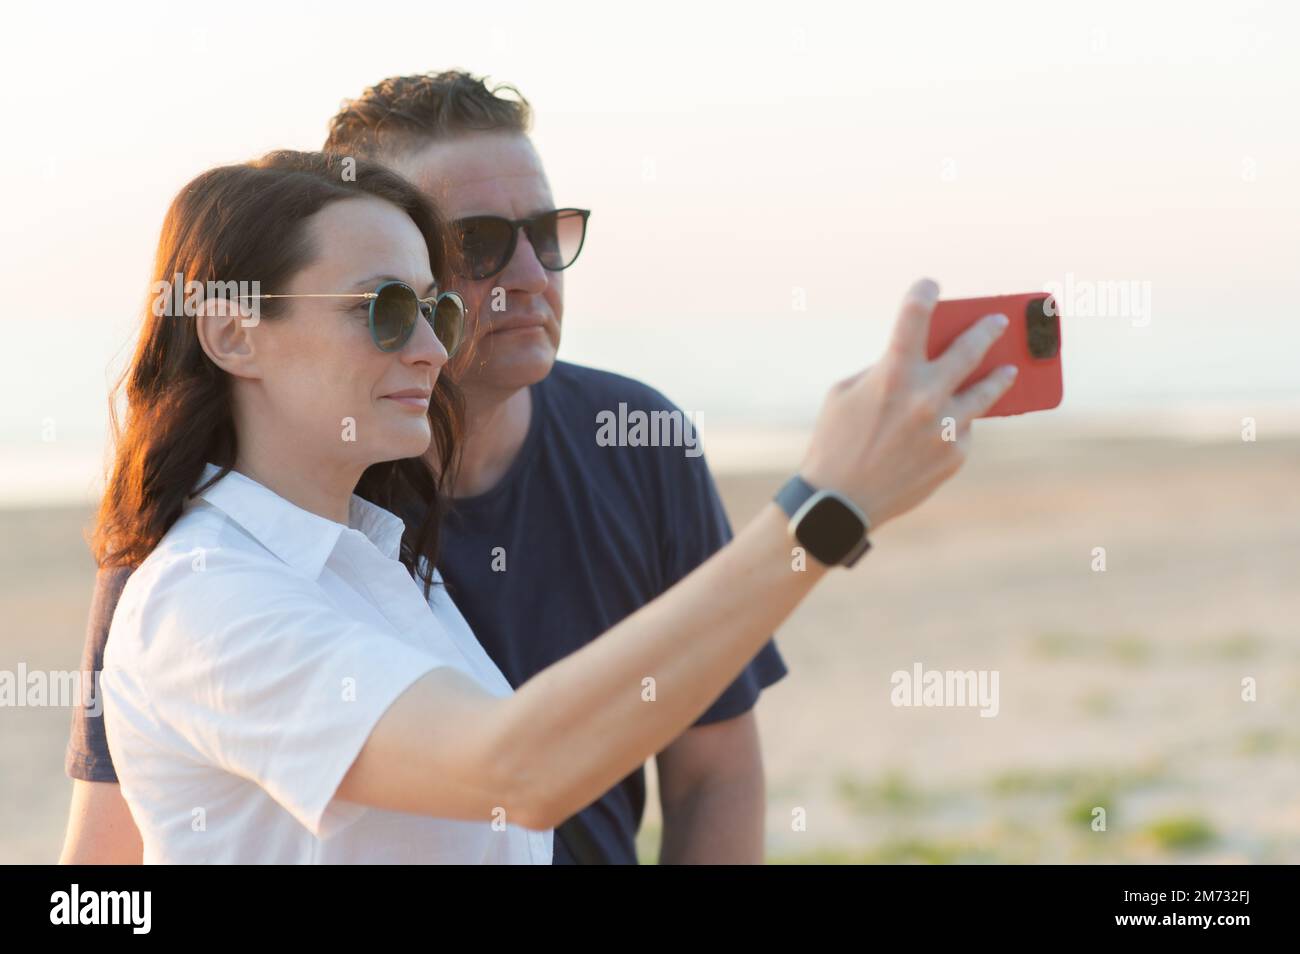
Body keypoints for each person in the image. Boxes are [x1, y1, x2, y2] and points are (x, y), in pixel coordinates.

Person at [65, 71, 791, 865]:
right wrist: (823, 511)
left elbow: (709, 772)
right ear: (234, 334)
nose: (530, 276)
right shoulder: (200, 583)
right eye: (473, 246)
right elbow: (106, 861)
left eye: (547, 234)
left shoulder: (373, 546)